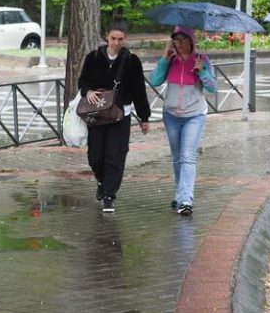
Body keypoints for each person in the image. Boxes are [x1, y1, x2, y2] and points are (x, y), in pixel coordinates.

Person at [78, 18, 151, 213]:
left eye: (120, 39)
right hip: (97, 115)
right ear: (106, 37)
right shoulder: (93, 57)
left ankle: (109, 195)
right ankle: (102, 181)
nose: (116, 43)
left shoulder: (131, 61)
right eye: (113, 38)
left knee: (115, 155)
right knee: (95, 156)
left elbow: (139, 90)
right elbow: (82, 81)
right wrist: (88, 91)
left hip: (121, 115)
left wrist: (144, 117)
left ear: (125, 39)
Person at [149, 26, 217, 216]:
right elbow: (154, 81)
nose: (178, 43)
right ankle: (180, 194)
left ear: (191, 41)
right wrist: (164, 58)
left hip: (194, 115)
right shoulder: (170, 60)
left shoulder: (202, 60)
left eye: (182, 39)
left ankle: (186, 200)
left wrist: (202, 72)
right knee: (177, 157)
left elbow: (213, 87)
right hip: (171, 116)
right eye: (175, 40)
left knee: (188, 156)